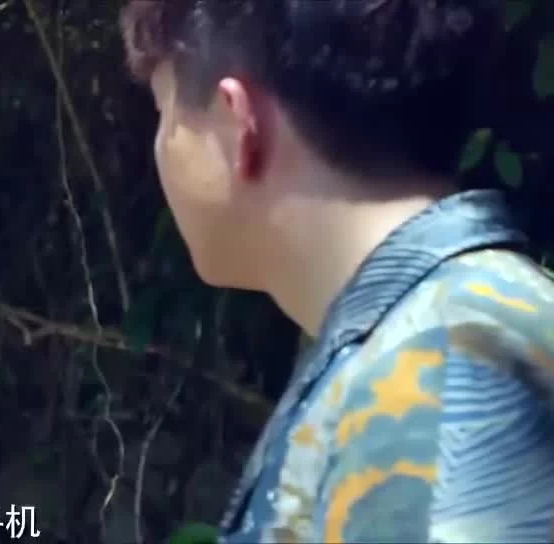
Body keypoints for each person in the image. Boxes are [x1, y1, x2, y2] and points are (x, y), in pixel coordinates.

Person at [121, 0, 554, 542]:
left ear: (238, 125)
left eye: (163, 112)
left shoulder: (434, 378)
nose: (160, 148)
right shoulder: (447, 334)